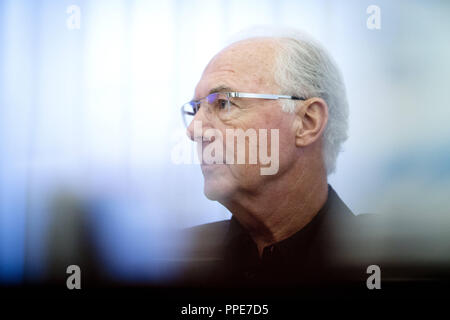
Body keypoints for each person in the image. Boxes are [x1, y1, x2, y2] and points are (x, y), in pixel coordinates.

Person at [177, 29, 366, 289]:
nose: (193, 130)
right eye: (196, 109)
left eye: (223, 103)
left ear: (307, 122)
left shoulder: (385, 263)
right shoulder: (178, 260)